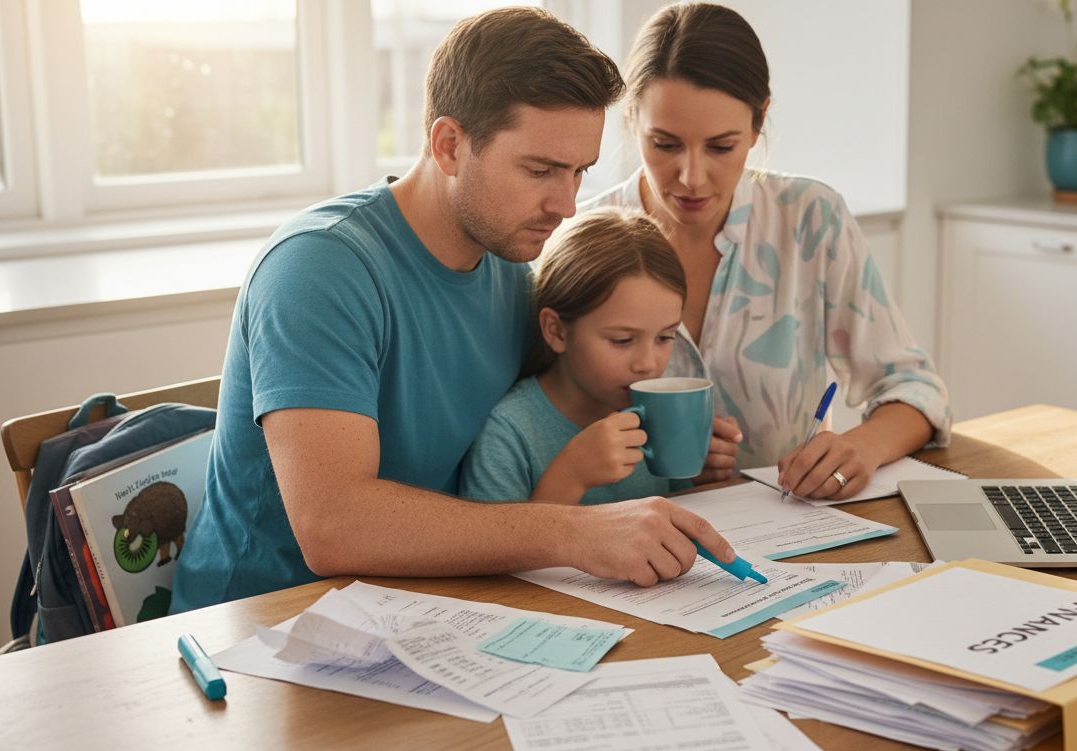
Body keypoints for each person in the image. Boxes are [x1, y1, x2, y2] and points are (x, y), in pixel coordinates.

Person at [172, 7, 737, 612]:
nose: (567, 204)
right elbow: (335, 525)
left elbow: (552, 418)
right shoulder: (319, 269)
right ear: (448, 145)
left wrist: (675, 461)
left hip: (429, 606)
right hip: (262, 624)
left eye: (579, 173)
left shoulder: (513, 271)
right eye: (540, 170)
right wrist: (574, 533)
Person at [582, 2, 951, 503]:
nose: (692, 177)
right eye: (665, 144)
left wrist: (860, 447)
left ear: (758, 125)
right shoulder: (582, 235)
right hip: (625, 541)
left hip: (789, 529)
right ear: (631, 122)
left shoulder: (810, 219)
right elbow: (541, 411)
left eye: (721, 146)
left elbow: (913, 387)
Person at [461, 207, 695, 504]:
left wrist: (707, 472)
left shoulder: (658, 417)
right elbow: (495, 550)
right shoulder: (511, 434)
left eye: (665, 337)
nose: (648, 365)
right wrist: (571, 476)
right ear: (557, 331)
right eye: (622, 340)